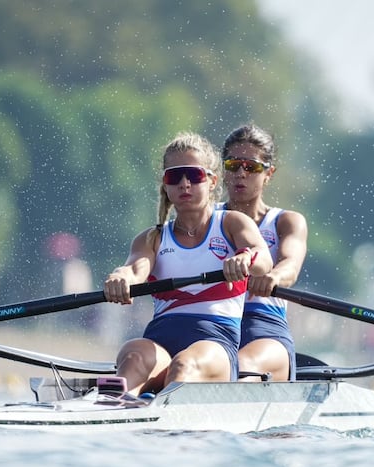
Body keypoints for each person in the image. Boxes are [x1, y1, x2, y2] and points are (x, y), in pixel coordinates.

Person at [103, 131, 273, 397]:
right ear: (165, 185)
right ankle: (114, 408)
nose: (184, 184)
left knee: (184, 365)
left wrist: (244, 258)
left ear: (212, 180)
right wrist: (120, 277)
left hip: (215, 343)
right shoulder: (152, 238)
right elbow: (136, 269)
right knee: (133, 353)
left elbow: (263, 258)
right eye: (175, 176)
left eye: (193, 176)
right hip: (160, 341)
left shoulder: (232, 224)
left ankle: (161, 412)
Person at [219, 123, 308, 381]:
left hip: (263, 326)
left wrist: (274, 277)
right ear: (223, 170)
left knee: (239, 365)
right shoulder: (206, 219)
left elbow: (291, 264)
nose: (240, 174)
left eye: (252, 167)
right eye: (233, 165)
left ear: (269, 173)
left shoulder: (286, 221)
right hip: (213, 322)